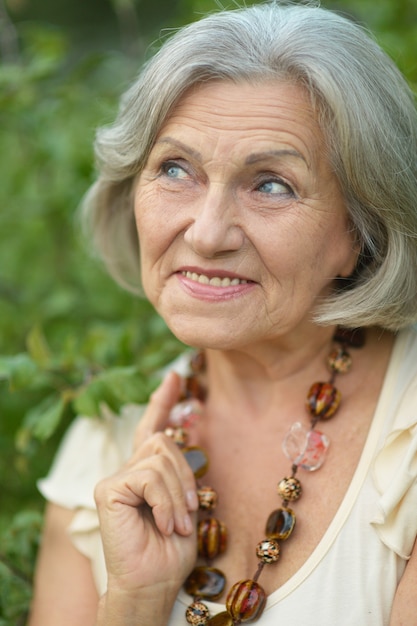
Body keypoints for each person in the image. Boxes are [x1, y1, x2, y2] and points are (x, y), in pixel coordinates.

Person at [28, 1, 417, 625]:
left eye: (270, 185)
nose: (207, 234)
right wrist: (135, 603)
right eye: (175, 169)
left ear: (363, 231)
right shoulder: (104, 442)